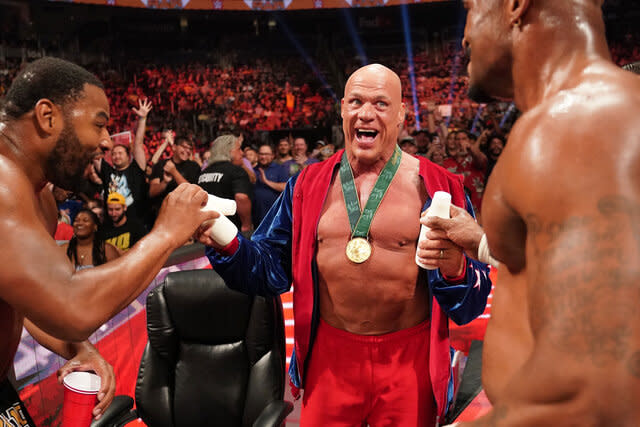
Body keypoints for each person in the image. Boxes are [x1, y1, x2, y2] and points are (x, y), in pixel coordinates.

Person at [197, 64, 491, 426]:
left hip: (408, 362)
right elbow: (269, 271)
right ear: (341, 110)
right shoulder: (306, 186)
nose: (366, 113)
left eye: (381, 104)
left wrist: (454, 269)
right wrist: (224, 241)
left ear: (401, 115)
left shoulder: (441, 186)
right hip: (329, 360)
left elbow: (472, 304)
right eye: (356, 101)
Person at [437, 0, 640, 425]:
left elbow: (597, 395)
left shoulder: (580, 119)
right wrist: (482, 242)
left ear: (515, 5)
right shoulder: (587, 115)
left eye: (471, 7)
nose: (465, 35)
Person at [0, 57, 215, 421]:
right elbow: (72, 307)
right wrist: (165, 235)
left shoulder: (41, 198)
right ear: (47, 117)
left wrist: (78, 348)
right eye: (99, 125)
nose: (105, 142)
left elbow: (27, 296)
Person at [198, 134, 253, 234]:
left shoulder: (203, 174)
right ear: (229, 151)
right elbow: (241, 198)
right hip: (231, 232)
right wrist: (246, 225)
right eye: (239, 149)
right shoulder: (237, 171)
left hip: (207, 232)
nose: (242, 153)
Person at [253, 143, 288, 226]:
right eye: (261, 154)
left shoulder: (279, 169)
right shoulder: (253, 170)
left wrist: (266, 182)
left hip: (274, 216)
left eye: (266, 154)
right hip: (256, 217)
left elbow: (285, 187)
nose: (263, 157)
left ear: (272, 156)